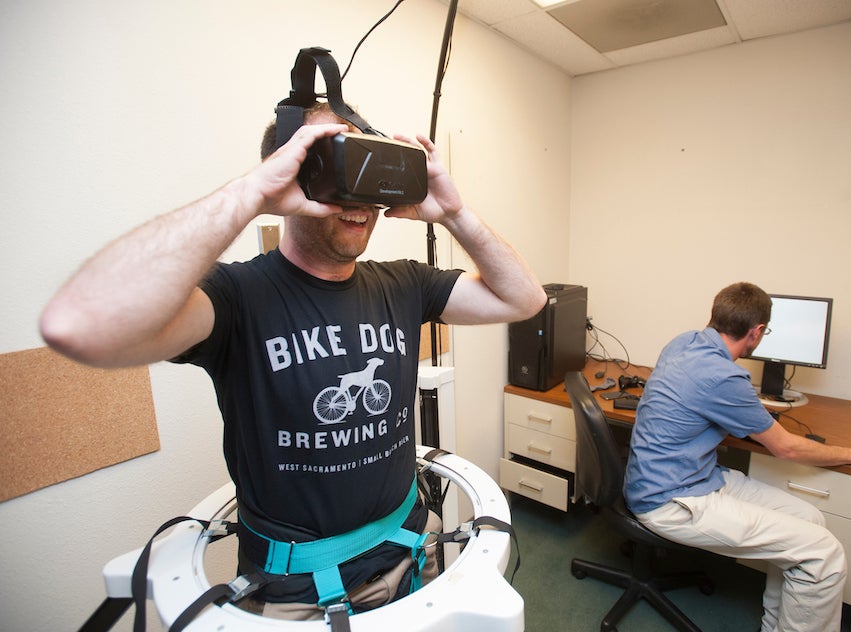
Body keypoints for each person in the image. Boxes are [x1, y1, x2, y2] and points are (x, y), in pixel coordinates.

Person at [40, 100, 547, 618]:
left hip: (412, 552)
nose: (356, 200)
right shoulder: (237, 297)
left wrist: (456, 213)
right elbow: (79, 324)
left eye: (363, 171)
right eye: (329, 169)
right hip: (296, 592)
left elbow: (523, 300)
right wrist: (253, 193)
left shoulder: (405, 284)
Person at [624, 282, 851, 632]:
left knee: (811, 520)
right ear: (756, 332)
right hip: (671, 500)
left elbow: (699, 403)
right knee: (822, 553)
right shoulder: (725, 377)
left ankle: (776, 625)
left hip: (689, 477)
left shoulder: (684, 342)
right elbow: (787, 447)